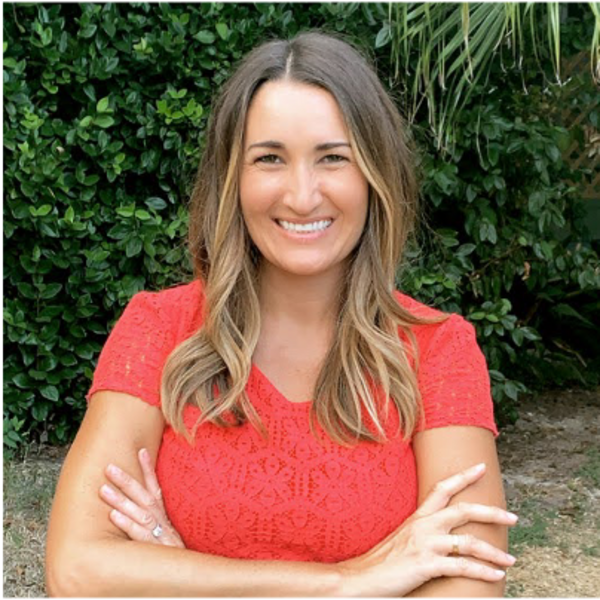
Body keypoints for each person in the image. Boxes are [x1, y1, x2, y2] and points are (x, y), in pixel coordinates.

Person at [45, 30, 517, 599]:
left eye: (332, 158)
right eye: (269, 158)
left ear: (374, 175)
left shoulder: (437, 349)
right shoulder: (158, 330)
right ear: (232, 180)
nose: (301, 195)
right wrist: (352, 581)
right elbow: (77, 571)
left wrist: (181, 579)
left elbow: (468, 588)